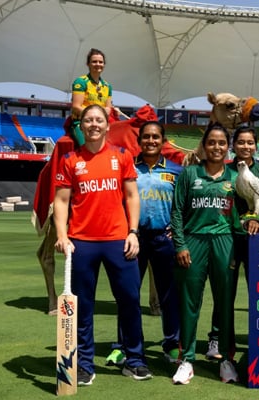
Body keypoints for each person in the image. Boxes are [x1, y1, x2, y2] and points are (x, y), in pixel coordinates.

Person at [53, 104, 152, 386]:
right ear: (81, 126)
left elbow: (132, 196)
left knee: (130, 302)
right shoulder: (70, 159)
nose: (94, 124)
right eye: (89, 120)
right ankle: (83, 365)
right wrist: (62, 235)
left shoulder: (122, 156)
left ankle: (135, 361)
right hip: (82, 243)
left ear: (108, 126)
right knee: (83, 306)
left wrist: (133, 232)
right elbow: (61, 201)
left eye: (99, 120)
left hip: (119, 241)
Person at [105, 121, 182, 367]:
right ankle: (123, 346)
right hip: (133, 238)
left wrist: (177, 231)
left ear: (163, 141)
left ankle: (171, 343)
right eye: (146, 137)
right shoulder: (127, 167)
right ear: (139, 141)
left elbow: (184, 206)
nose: (151, 141)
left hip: (164, 239)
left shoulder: (176, 171)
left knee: (168, 296)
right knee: (128, 295)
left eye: (155, 137)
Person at [170, 123, 240, 385]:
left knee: (224, 303)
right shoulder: (189, 174)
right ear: (204, 145)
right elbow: (177, 211)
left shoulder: (234, 177)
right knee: (189, 304)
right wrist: (180, 244)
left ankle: (226, 360)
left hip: (224, 242)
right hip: (193, 241)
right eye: (212, 142)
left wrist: (237, 247)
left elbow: (243, 215)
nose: (217, 147)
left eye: (222, 142)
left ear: (227, 146)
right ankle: (186, 360)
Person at [206, 125, 259, 360]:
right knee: (225, 291)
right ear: (234, 145)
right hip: (228, 238)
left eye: (250, 143)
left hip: (255, 241)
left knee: (258, 292)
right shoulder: (225, 170)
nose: (245, 147)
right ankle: (216, 339)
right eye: (241, 142)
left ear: (255, 146)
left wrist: (258, 221)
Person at [70, 48, 114, 146]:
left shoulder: (107, 86)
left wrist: (100, 118)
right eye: (94, 62)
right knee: (87, 147)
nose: (98, 64)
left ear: (104, 65)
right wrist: (93, 118)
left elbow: (108, 108)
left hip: (100, 125)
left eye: (100, 62)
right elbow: (76, 107)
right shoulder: (81, 82)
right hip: (82, 123)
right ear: (88, 64)